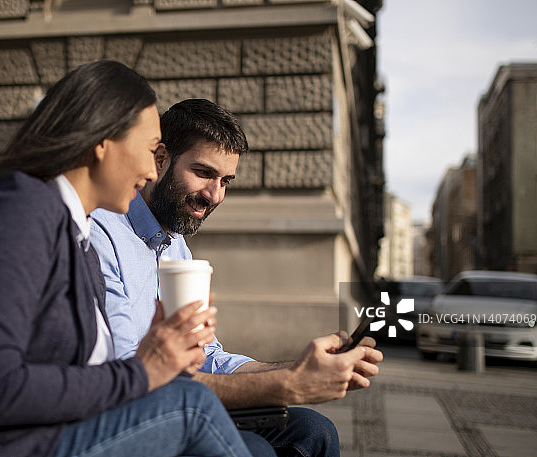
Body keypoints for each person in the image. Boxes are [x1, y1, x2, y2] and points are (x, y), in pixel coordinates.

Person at [0, 63, 253, 457]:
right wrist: (143, 371)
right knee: (191, 407)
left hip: (35, 437)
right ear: (103, 142)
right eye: (151, 151)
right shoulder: (21, 210)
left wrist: (153, 350)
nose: (153, 170)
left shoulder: (72, 228)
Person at [90, 98, 384, 457]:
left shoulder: (175, 245)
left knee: (314, 431)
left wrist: (303, 366)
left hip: (182, 396)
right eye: (203, 173)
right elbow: (129, 374)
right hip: (132, 412)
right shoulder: (103, 232)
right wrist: (288, 384)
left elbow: (209, 357)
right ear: (160, 159)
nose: (214, 195)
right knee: (256, 449)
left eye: (225, 181)